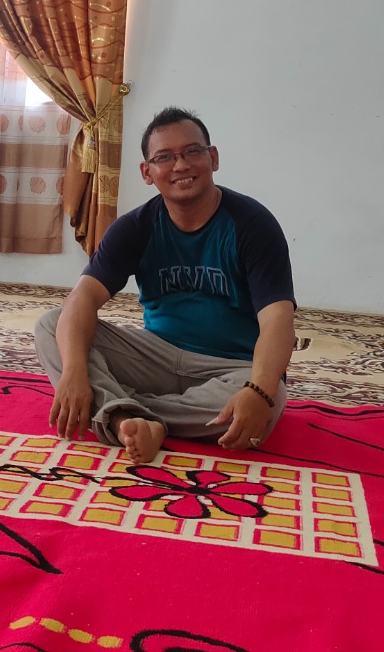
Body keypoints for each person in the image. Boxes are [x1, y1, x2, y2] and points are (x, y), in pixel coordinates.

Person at [34, 106, 297, 465]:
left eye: (192, 152)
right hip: (155, 357)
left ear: (213, 158)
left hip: (230, 366)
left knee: (268, 398)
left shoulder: (253, 224)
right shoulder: (135, 227)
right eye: (165, 157)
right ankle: (140, 414)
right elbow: (83, 297)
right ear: (147, 172)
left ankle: (123, 413)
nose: (181, 165)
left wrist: (258, 390)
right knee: (52, 326)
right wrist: (75, 372)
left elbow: (278, 319)